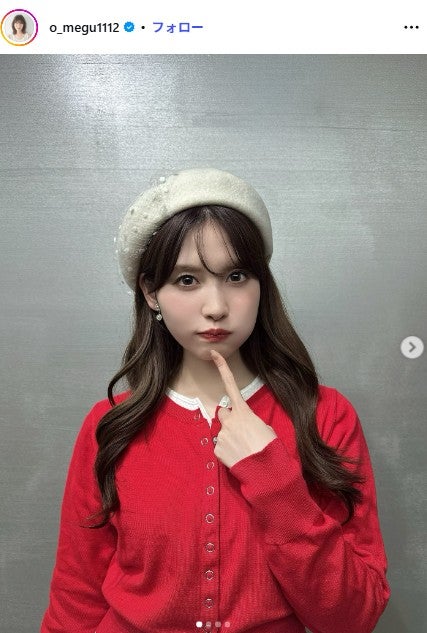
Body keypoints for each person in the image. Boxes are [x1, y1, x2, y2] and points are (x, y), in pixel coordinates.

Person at [41, 168, 390, 633]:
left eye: (236, 276)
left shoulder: (325, 415)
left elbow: (352, 618)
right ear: (151, 292)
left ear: (261, 284)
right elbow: (75, 598)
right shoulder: (110, 424)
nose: (216, 307)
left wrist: (273, 477)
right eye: (187, 280)